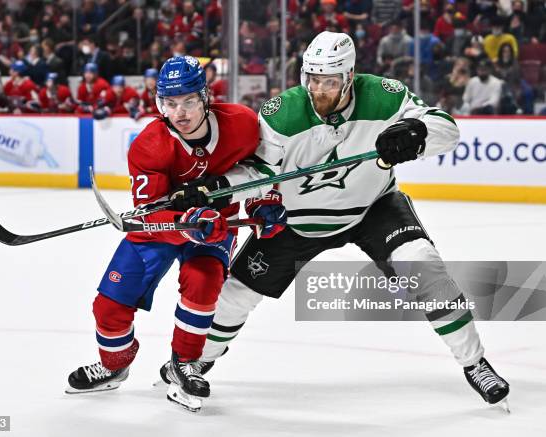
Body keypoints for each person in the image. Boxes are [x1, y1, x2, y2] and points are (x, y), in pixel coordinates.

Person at [161, 31, 510, 409]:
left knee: (424, 266)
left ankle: (475, 362)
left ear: (349, 76)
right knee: (234, 296)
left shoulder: (385, 95)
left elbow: (447, 128)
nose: (319, 90)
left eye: (329, 81)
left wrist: (417, 132)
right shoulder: (282, 114)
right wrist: (217, 188)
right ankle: (196, 362)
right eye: (313, 79)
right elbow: (258, 173)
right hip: (296, 220)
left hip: (372, 208)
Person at [65, 56, 286, 413]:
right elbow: (151, 213)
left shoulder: (242, 124)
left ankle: (184, 363)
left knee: (203, 284)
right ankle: (113, 364)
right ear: (159, 104)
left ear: (205, 98)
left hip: (215, 229)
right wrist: (189, 220)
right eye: (170, 103)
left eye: (188, 101)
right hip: (161, 232)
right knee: (108, 306)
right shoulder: (149, 145)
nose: (179, 112)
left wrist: (265, 203)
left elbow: (259, 171)